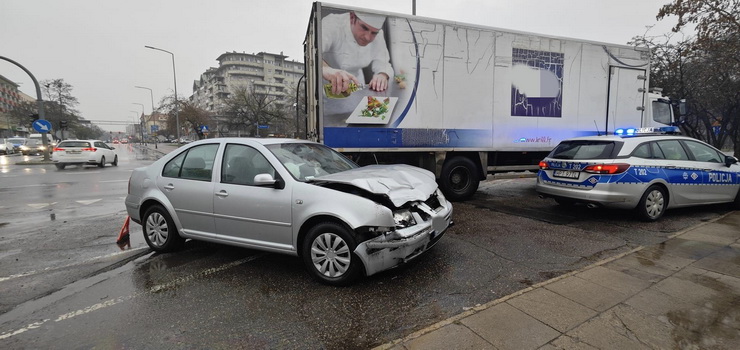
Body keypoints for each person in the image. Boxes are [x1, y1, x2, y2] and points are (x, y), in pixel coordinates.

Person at [322, 11, 394, 96]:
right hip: (327, 85)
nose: (368, 37)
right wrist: (326, 69)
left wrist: (382, 74)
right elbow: (314, 53)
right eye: (364, 28)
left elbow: (383, 62)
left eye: (374, 33)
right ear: (352, 17)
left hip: (357, 84)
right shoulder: (331, 23)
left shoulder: (378, 34)